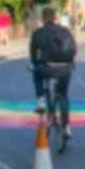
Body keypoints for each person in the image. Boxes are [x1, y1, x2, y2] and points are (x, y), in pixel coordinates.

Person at [30, 7, 78, 138]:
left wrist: (34, 63)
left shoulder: (38, 33)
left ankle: (41, 100)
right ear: (55, 17)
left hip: (47, 67)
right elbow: (74, 49)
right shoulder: (65, 31)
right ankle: (67, 127)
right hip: (65, 68)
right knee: (63, 95)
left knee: (35, 72)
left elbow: (33, 54)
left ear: (43, 18)